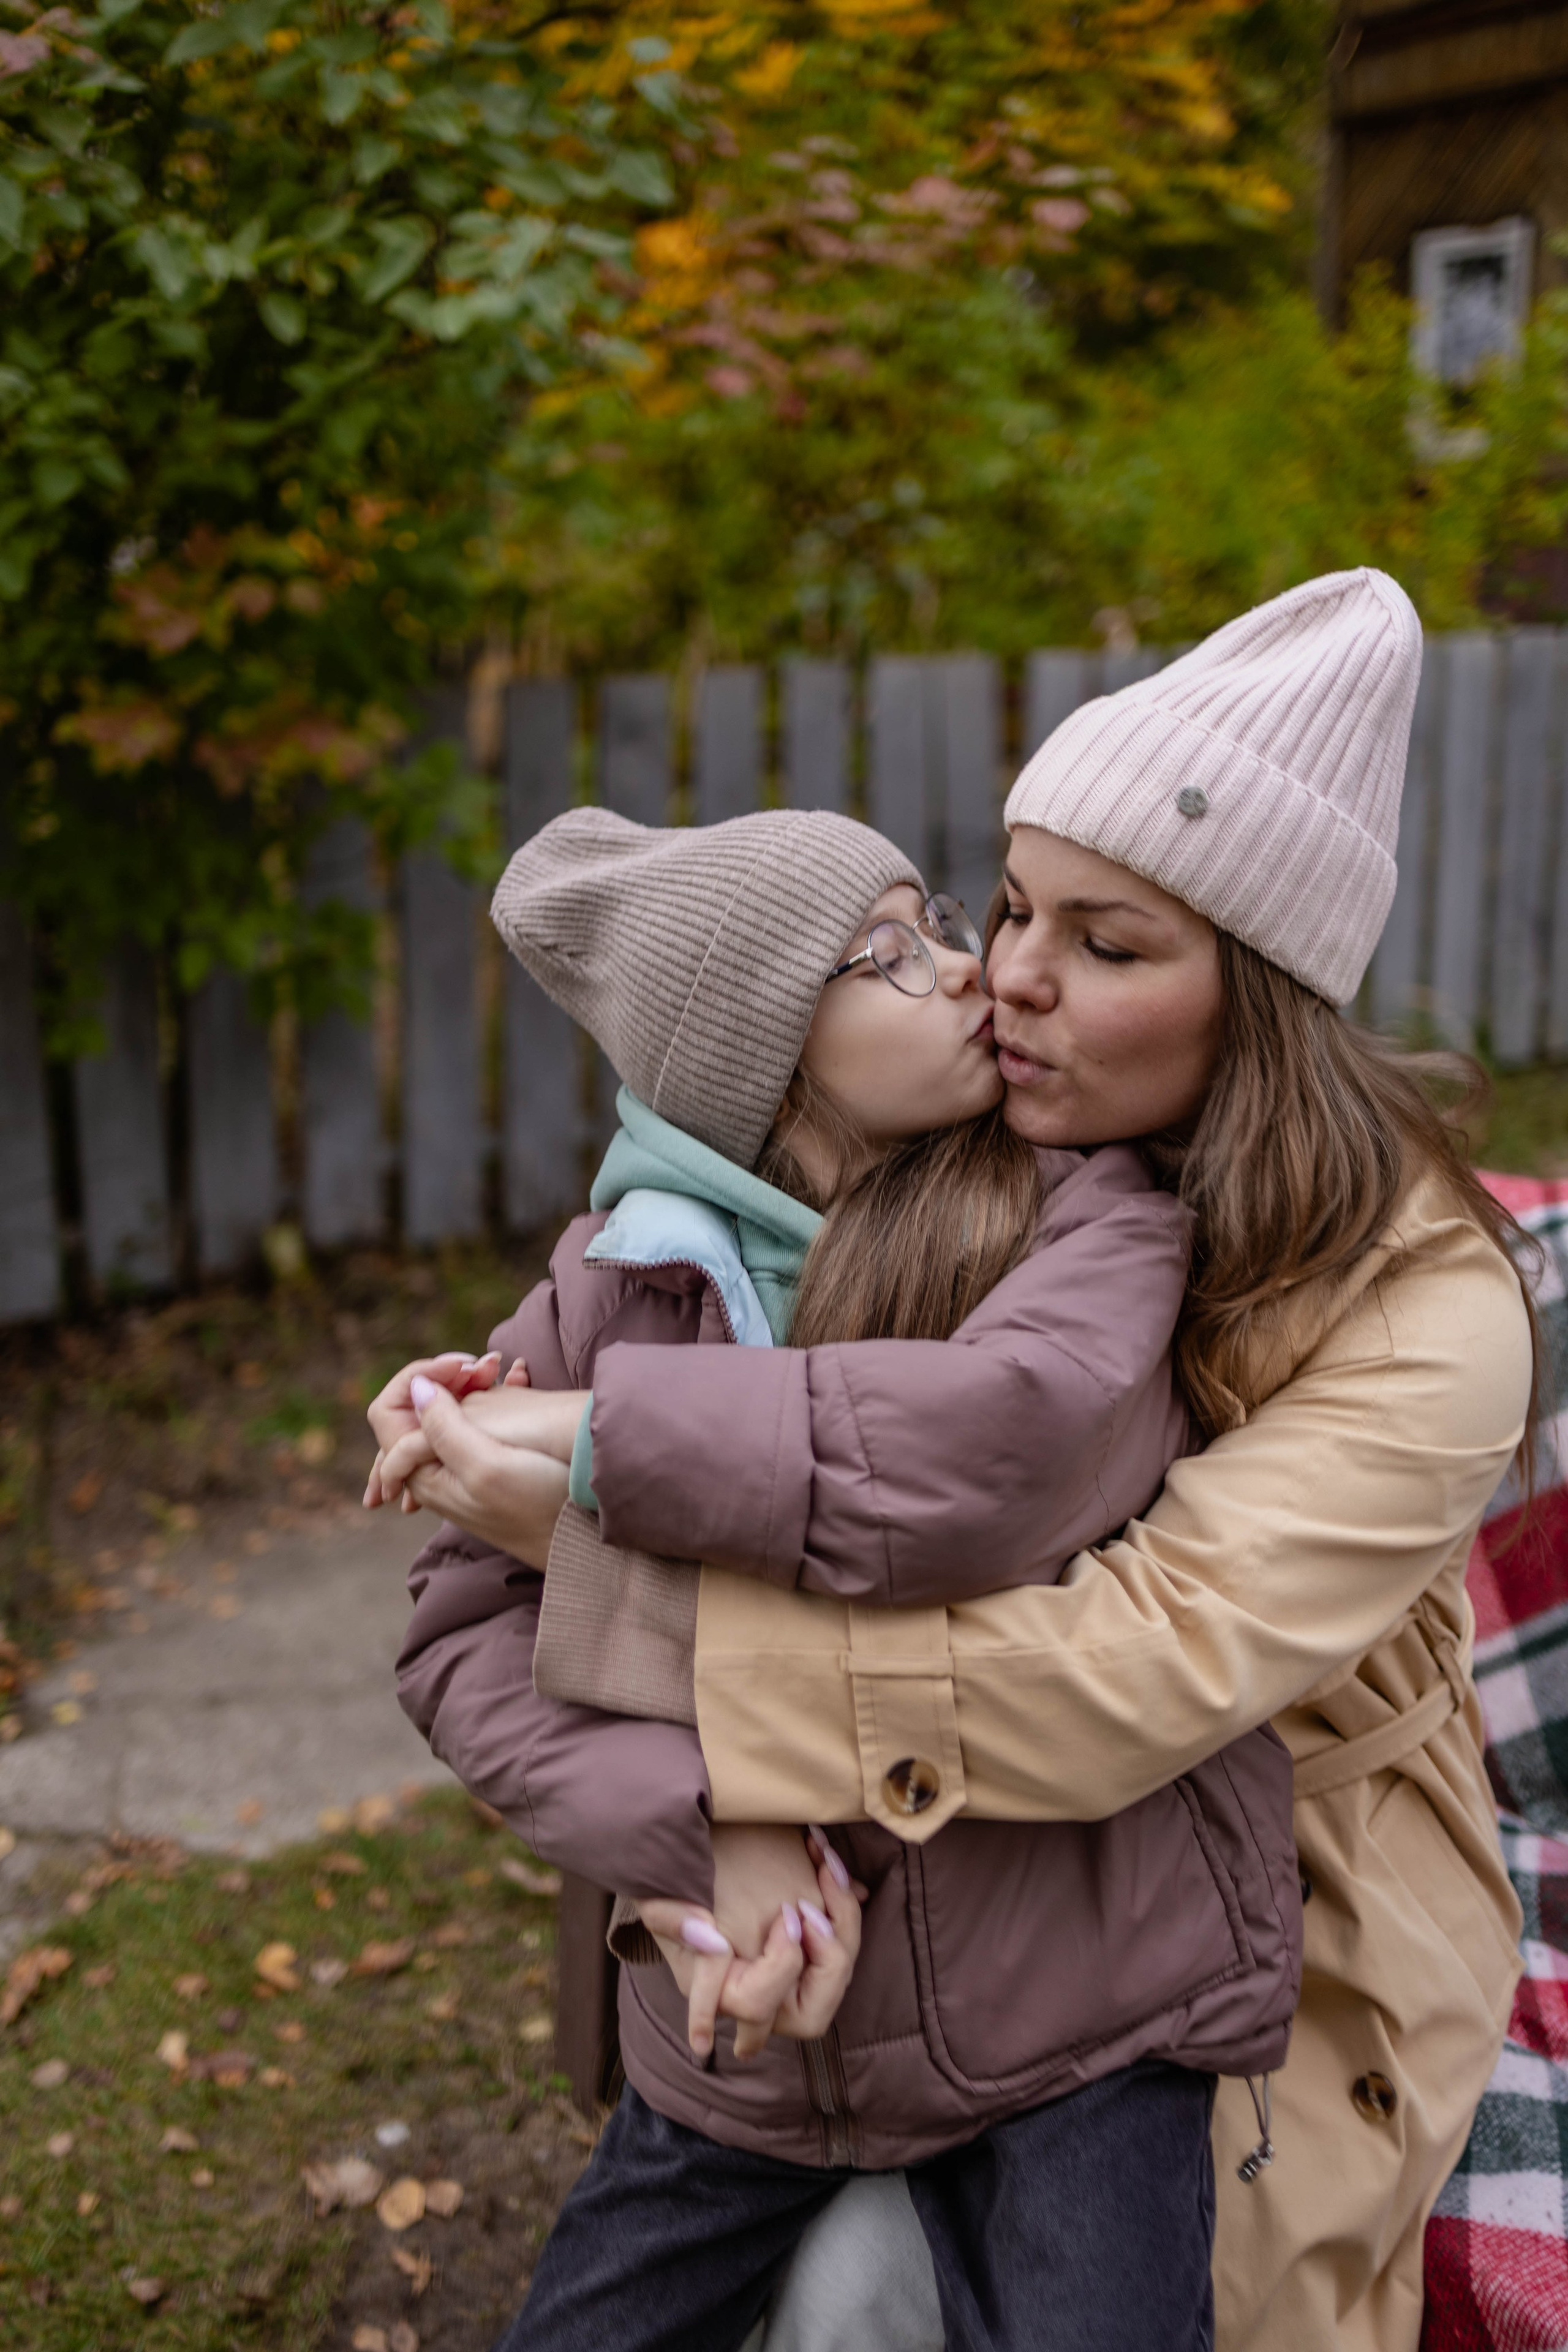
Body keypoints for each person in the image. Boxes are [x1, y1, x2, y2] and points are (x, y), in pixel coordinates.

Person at [384, 568, 1538, 2352]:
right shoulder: (920, 1177)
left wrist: (607, 1501)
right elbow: (473, 1613)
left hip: (1219, 1906)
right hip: (876, 1914)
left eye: (1107, 943)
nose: (1005, 977)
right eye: (1008, 911)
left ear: (1268, 993)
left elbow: (1108, 1653)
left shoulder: (1367, 1297)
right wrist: (712, 1833)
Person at [372, 799, 1300, 2352]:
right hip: (752, 2027)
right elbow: (460, 1638)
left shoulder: (1083, 1204)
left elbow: (993, 1461)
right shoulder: (615, 1281)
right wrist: (703, 1831)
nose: (964, 972)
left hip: (1071, 1994)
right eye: (883, 958)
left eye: (937, 923)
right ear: (763, 1059)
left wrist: (601, 1441)